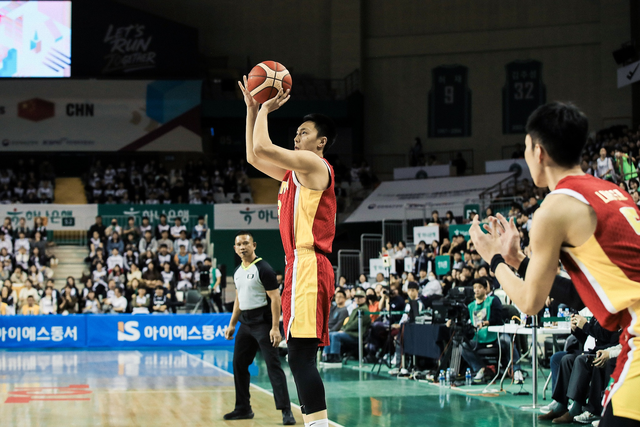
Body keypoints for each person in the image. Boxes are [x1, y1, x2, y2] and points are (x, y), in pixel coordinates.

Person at [469, 102, 640, 426]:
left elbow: (529, 303)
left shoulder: (554, 208)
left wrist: (493, 258)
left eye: (525, 148)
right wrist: (518, 261)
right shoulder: (613, 191)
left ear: (539, 151)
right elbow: (580, 293)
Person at [239, 76, 337, 426]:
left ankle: (319, 424)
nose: (297, 137)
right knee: (298, 355)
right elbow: (253, 156)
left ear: (321, 142)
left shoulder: (314, 165)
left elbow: (264, 146)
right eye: (296, 132)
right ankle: (316, 422)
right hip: (299, 265)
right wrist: (252, 110)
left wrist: (265, 107)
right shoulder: (293, 174)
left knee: (300, 355)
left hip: (309, 263)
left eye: (304, 132)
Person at [223, 231, 295, 424]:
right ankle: (243, 408)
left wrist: (275, 328)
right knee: (238, 364)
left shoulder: (264, 269)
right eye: (239, 244)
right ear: (235, 248)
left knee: (273, 366)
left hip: (263, 323)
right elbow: (239, 299)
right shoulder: (238, 271)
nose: (242, 247)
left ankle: (286, 410)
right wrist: (232, 324)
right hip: (245, 324)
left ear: (254, 245)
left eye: (246, 243)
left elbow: (275, 298)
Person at [323, 289, 371, 363]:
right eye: (356, 297)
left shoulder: (364, 310)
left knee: (335, 335)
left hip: (356, 335)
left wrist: (344, 330)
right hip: (350, 333)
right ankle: (327, 356)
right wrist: (343, 329)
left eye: (360, 297)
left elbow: (355, 324)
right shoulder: (357, 309)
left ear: (365, 298)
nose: (358, 299)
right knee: (330, 334)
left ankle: (335, 357)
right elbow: (348, 322)